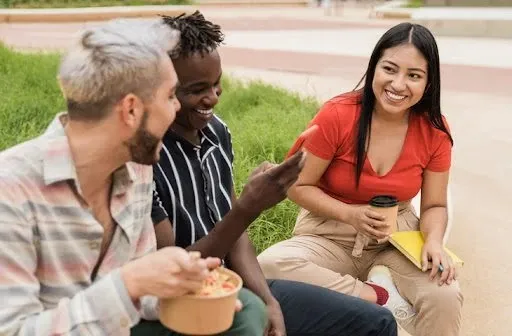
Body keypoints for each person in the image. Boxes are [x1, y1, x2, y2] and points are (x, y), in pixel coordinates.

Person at [0, 18, 262, 336]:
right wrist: (130, 283)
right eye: (169, 96)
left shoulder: (136, 171)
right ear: (132, 110)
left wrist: (180, 282)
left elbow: (140, 289)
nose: (176, 107)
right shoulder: (11, 190)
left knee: (244, 310)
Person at [148, 10, 398, 336]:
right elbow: (171, 272)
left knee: (377, 323)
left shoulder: (215, 132)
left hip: (234, 285)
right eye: (196, 89)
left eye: (217, 84)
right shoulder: (145, 157)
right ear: (162, 86)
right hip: (184, 305)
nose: (212, 98)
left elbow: (234, 234)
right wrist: (248, 209)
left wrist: (268, 299)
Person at [257, 22, 464, 336]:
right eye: (389, 69)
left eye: (414, 75)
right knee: (266, 265)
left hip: (398, 238)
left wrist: (433, 241)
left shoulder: (435, 130)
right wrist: (350, 214)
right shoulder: (338, 114)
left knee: (445, 295)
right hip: (330, 234)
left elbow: (435, 203)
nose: (398, 84)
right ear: (374, 67)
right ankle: (376, 296)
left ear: (428, 81)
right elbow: (297, 184)